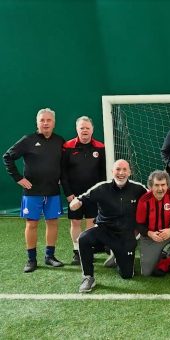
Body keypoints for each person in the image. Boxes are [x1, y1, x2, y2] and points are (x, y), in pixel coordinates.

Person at [69, 159, 147, 293]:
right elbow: (81, 199)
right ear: (112, 172)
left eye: (124, 170)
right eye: (117, 169)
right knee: (84, 238)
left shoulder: (138, 188)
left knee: (127, 275)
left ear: (130, 172)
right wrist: (75, 203)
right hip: (104, 231)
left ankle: (117, 256)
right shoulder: (101, 188)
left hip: (125, 236)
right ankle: (88, 277)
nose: (121, 173)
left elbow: (154, 198)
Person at [3, 108, 65, 272]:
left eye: (48, 120)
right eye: (42, 120)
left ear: (54, 122)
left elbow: (64, 163)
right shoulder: (28, 140)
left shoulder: (60, 141)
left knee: (52, 223)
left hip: (52, 191)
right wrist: (18, 178)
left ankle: (49, 257)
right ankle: (31, 260)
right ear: (37, 122)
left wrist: (61, 176)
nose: (45, 123)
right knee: (32, 224)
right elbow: (7, 156)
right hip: (32, 192)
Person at [61, 116, 106, 265]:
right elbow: (63, 173)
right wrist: (68, 193)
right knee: (75, 222)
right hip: (74, 195)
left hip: (93, 195)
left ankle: (88, 249)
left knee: (91, 222)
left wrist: (100, 193)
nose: (84, 130)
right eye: (82, 128)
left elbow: (103, 173)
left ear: (92, 129)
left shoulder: (101, 147)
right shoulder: (67, 147)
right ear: (77, 129)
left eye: (87, 128)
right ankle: (77, 251)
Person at [136, 170, 170, 278]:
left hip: (167, 232)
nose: (160, 189)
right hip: (150, 237)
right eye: (157, 185)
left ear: (167, 185)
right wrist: (150, 234)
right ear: (151, 186)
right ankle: (164, 256)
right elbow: (139, 225)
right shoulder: (144, 200)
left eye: (163, 185)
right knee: (146, 273)